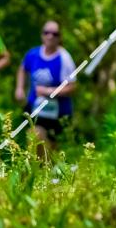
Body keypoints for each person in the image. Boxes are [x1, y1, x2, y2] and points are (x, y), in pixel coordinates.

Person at [15, 21, 77, 156]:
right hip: (35, 110)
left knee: (53, 152)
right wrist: (19, 88)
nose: (50, 36)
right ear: (42, 35)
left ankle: (48, 166)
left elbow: (72, 87)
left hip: (58, 113)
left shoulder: (64, 58)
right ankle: (37, 166)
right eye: (46, 33)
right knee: (34, 137)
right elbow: (22, 68)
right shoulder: (33, 54)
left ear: (59, 37)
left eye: (55, 34)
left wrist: (48, 92)